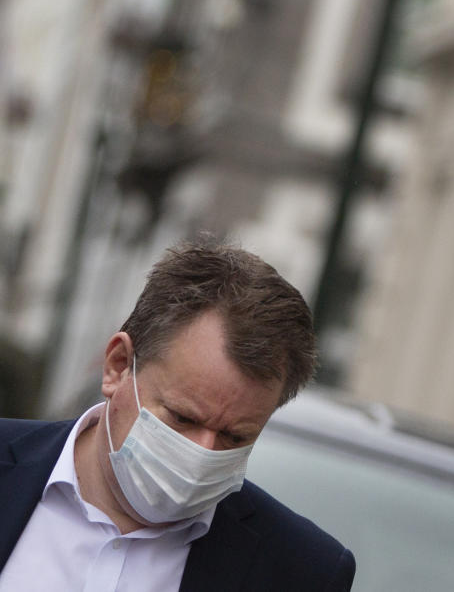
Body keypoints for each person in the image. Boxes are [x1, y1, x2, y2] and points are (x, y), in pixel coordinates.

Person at [0, 239, 356, 591]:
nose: (202, 454)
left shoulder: (302, 572)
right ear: (118, 366)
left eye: (235, 437)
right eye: (182, 418)